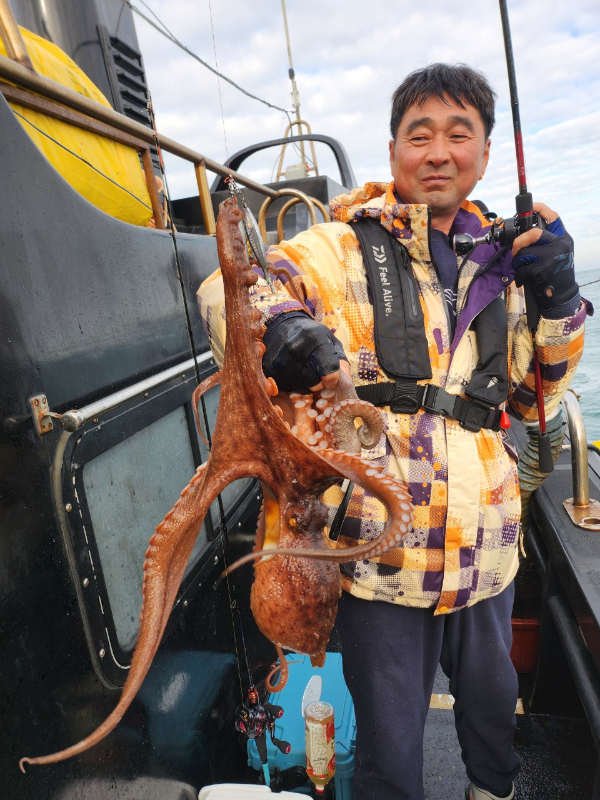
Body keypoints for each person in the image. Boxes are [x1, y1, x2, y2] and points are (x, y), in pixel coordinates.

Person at [198, 64, 587, 800]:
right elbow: (227, 288)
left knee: (491, 714)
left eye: (458, 134)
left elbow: (539, 398)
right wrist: (281, 328)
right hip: (382, 558)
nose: (437, 152)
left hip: (488, 553)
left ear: (485, 152)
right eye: (419, 135)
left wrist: (560, 296)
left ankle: (492, 789)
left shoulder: (506, 266)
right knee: (389, 753)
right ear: (393, 149)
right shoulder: (337, 246)